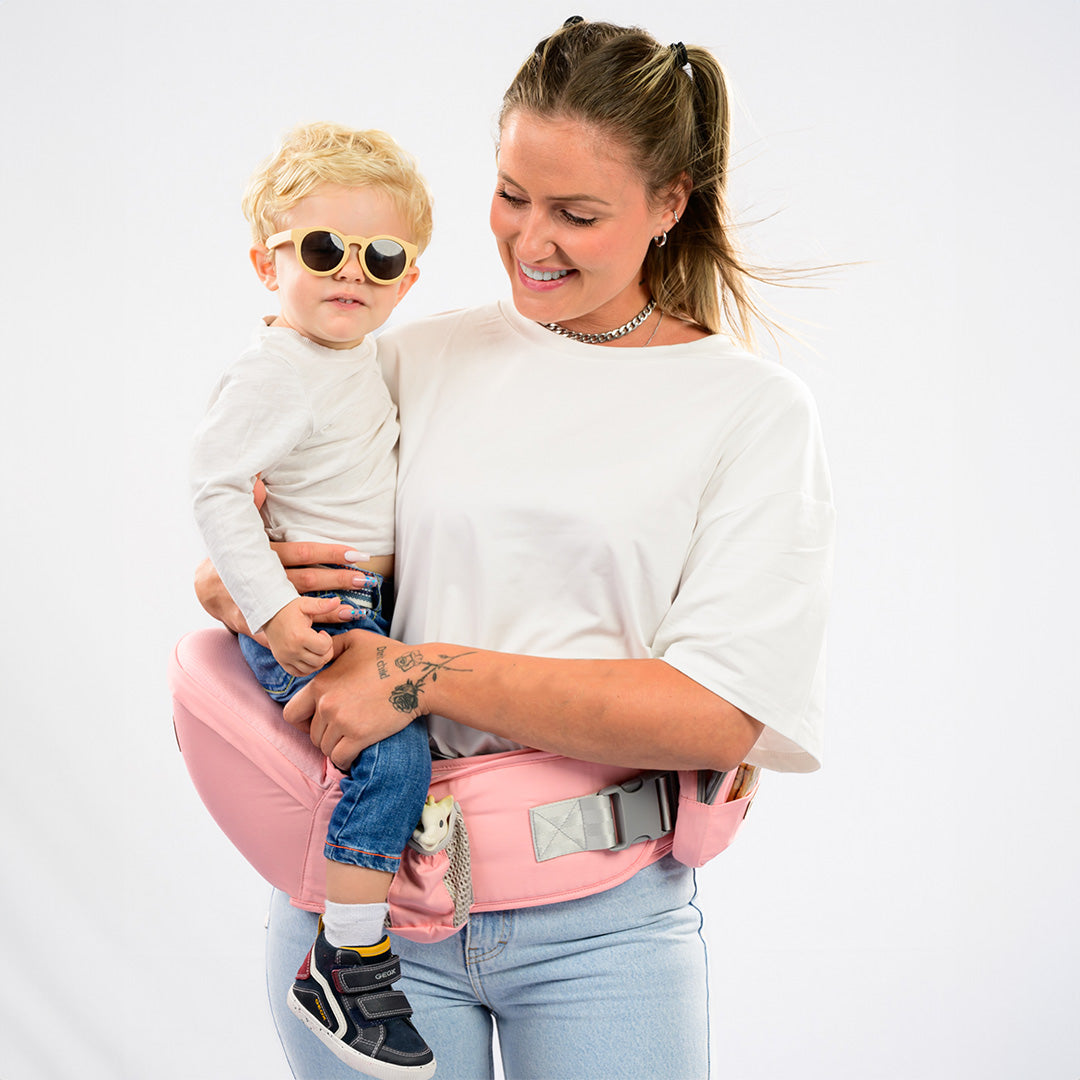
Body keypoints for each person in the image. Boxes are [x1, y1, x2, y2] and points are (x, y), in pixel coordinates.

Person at [192, 17, 835, 1078]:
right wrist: (237, 584)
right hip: (365, 917)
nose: (533, 241)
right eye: (511, 196)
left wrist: (417, 673)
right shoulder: (407, 359)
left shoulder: (750, 411)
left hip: (604, 929)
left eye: (578, 214)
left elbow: (722, 712)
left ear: (670, 203)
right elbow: (253, 522)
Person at [189, 122, 437, 1076]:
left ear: (408, 280)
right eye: (326, 249)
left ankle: (362, 927)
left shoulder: (356, 356)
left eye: (383, 258)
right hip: (319, 608)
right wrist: (270, 610)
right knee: (392, 752)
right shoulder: (278, 368)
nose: (353, 274)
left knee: (398, 755)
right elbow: (216, 487)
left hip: (367, 602)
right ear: (269, 264)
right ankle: (347, 958)